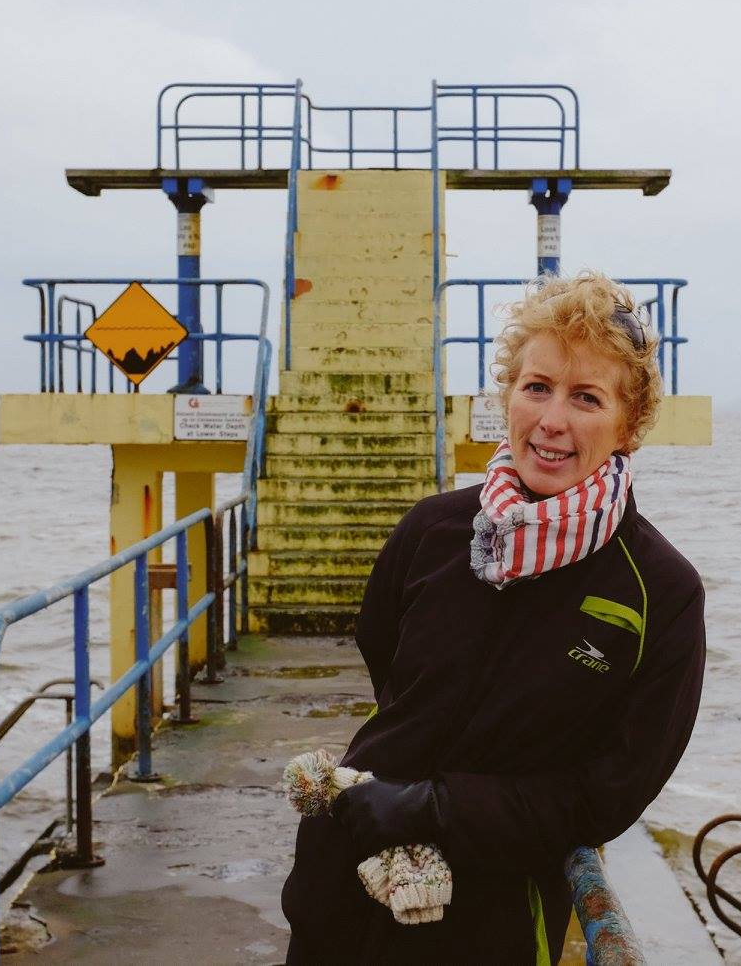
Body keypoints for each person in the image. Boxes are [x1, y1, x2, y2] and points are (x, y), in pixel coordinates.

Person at [281, 271, 706, 964]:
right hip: (341, 880)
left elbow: (608, 794)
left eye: (586, 397)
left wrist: (434, 806)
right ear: (506, 392)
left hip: (489, 915)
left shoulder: (659, 590)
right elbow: (385, 653)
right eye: (535, 386)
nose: (551, 420)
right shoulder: (433, 529)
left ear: (628, 425)